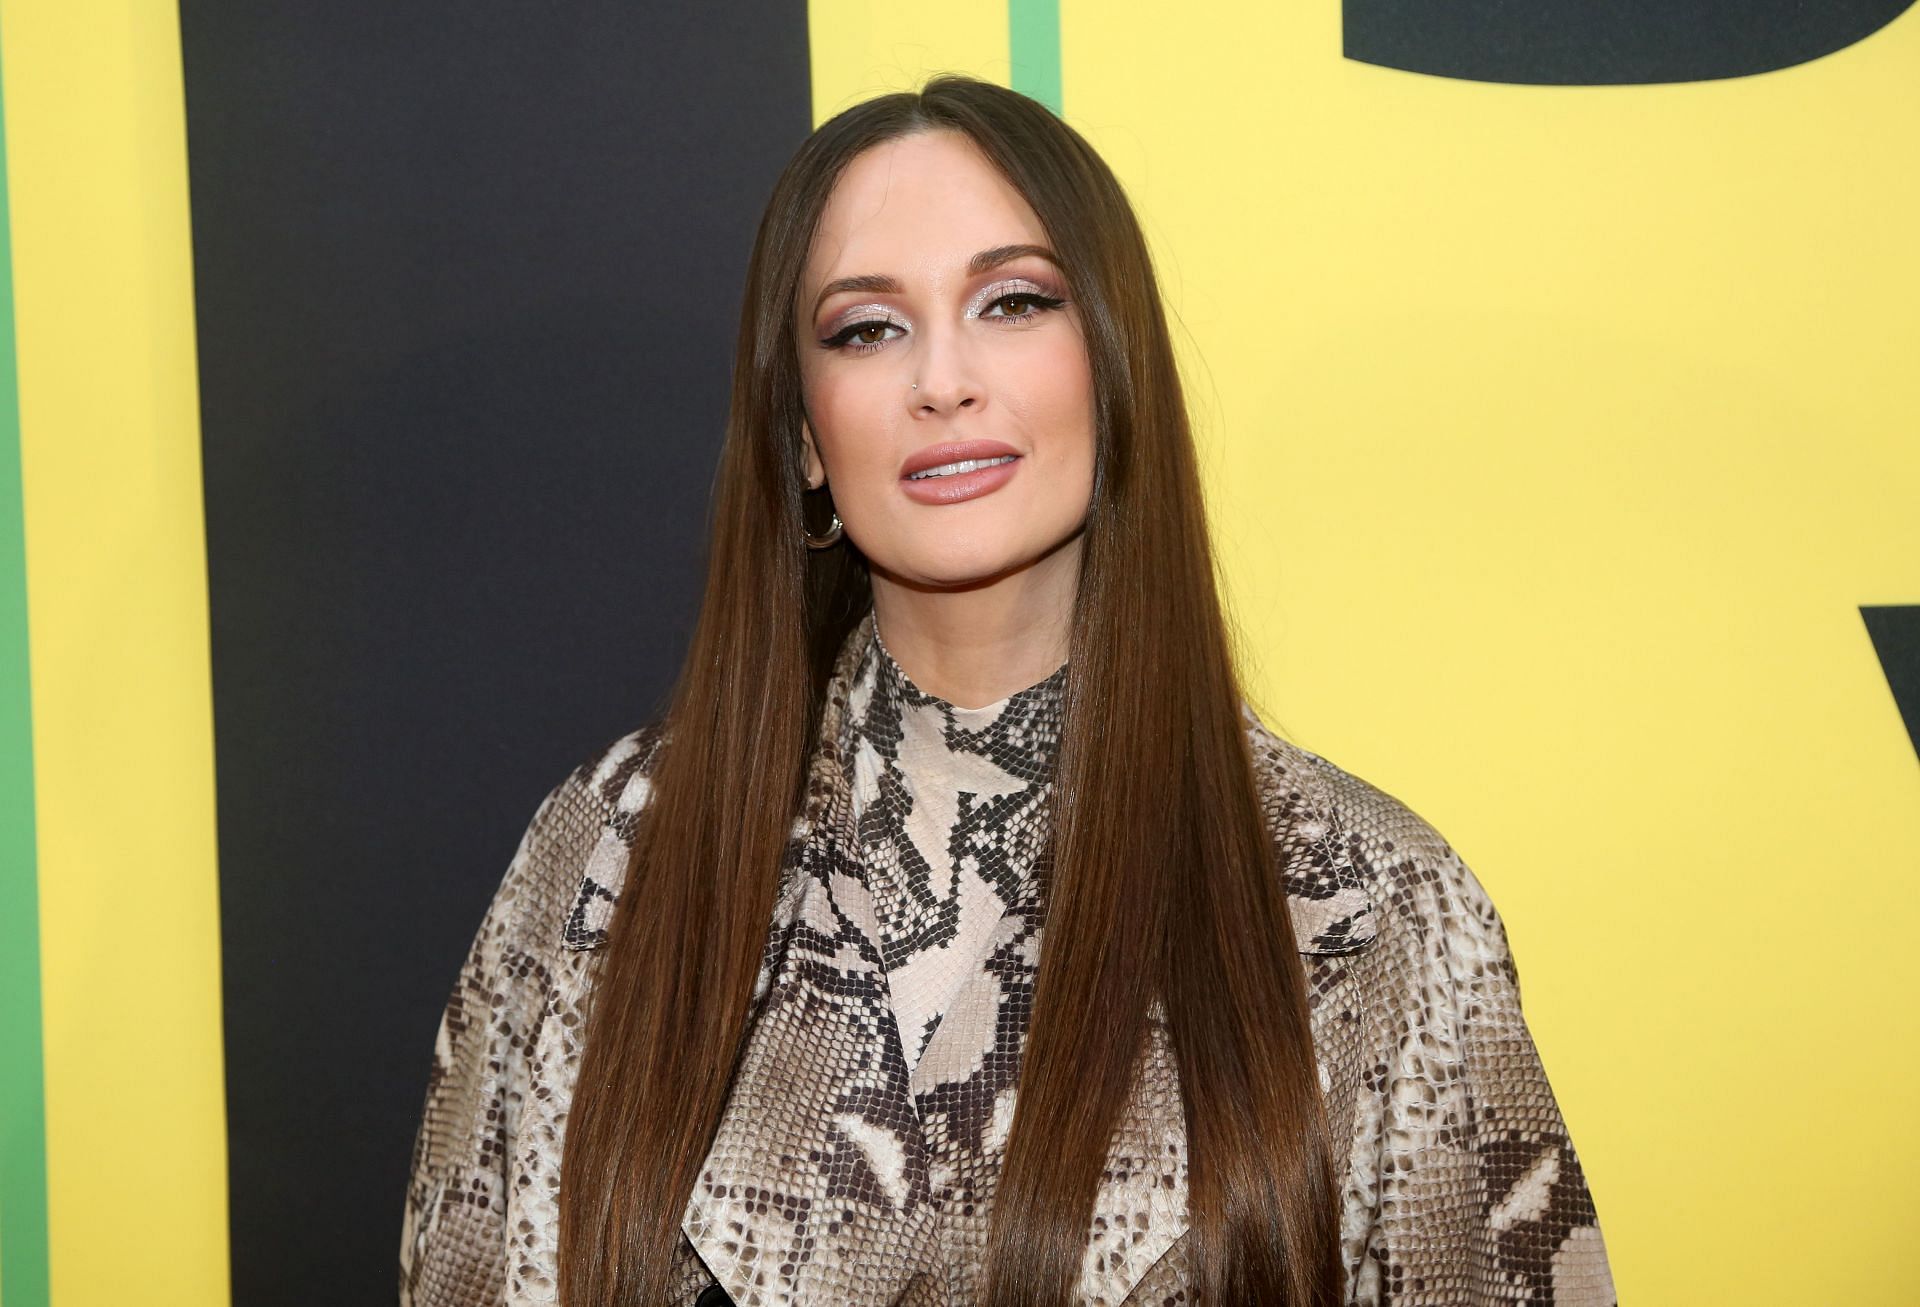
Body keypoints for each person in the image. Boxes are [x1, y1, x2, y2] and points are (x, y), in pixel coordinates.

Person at [399, 74, 1616, 1307]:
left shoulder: (1359, 900)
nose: (945, 378)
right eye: (867, 327)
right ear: (806, 434)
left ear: (1114, 367)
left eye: (1015, 301)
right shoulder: (612, 856)